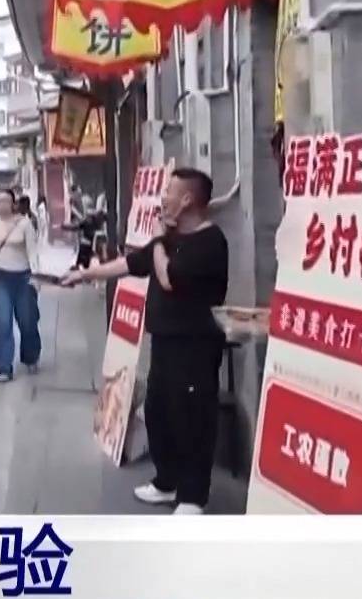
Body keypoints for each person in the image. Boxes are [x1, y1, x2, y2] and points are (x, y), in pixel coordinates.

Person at [62, 167, 229, 515]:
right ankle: (167, 482)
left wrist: (158, 241)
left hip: (194, 345)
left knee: (192, 419)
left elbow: (169, 279)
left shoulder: (209, 241)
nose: (163, 197)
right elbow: (128, 264)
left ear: (187, 199)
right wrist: (85, 274)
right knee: (158, 412)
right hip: (164, 342)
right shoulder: (167, 240)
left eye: (169, 191)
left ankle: (193, 496)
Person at [0, 188, 44, 383]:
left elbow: (33, 251)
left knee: (27, 321)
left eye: (6, 201)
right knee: (3, 322)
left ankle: (31, 356)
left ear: (13, 203)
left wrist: (36, 277)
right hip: (0, 277)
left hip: (23, 277)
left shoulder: (24, 223)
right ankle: (3, 366)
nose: (2, 204)